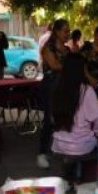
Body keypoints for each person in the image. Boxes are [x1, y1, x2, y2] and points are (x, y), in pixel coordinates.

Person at [51, 53, 98, 168]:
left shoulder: (57, 88)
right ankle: (79, 177)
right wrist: (97, 135)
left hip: (58, 145)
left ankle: (70, 174)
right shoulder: (86, 90)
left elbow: (52, 117)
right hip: (81, 145)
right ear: (82, 69)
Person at [37, 18, 70, 169]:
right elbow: (55, 65)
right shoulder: (47, 48)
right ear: (56, 31)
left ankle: (63, 149)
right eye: (65, 31)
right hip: (50, 86)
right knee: (50, 119)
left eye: (68, 31)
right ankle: (42, 153)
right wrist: (73, 66)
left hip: (64, 86)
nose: (68, 34)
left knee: (64, 117)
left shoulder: (67, 49)